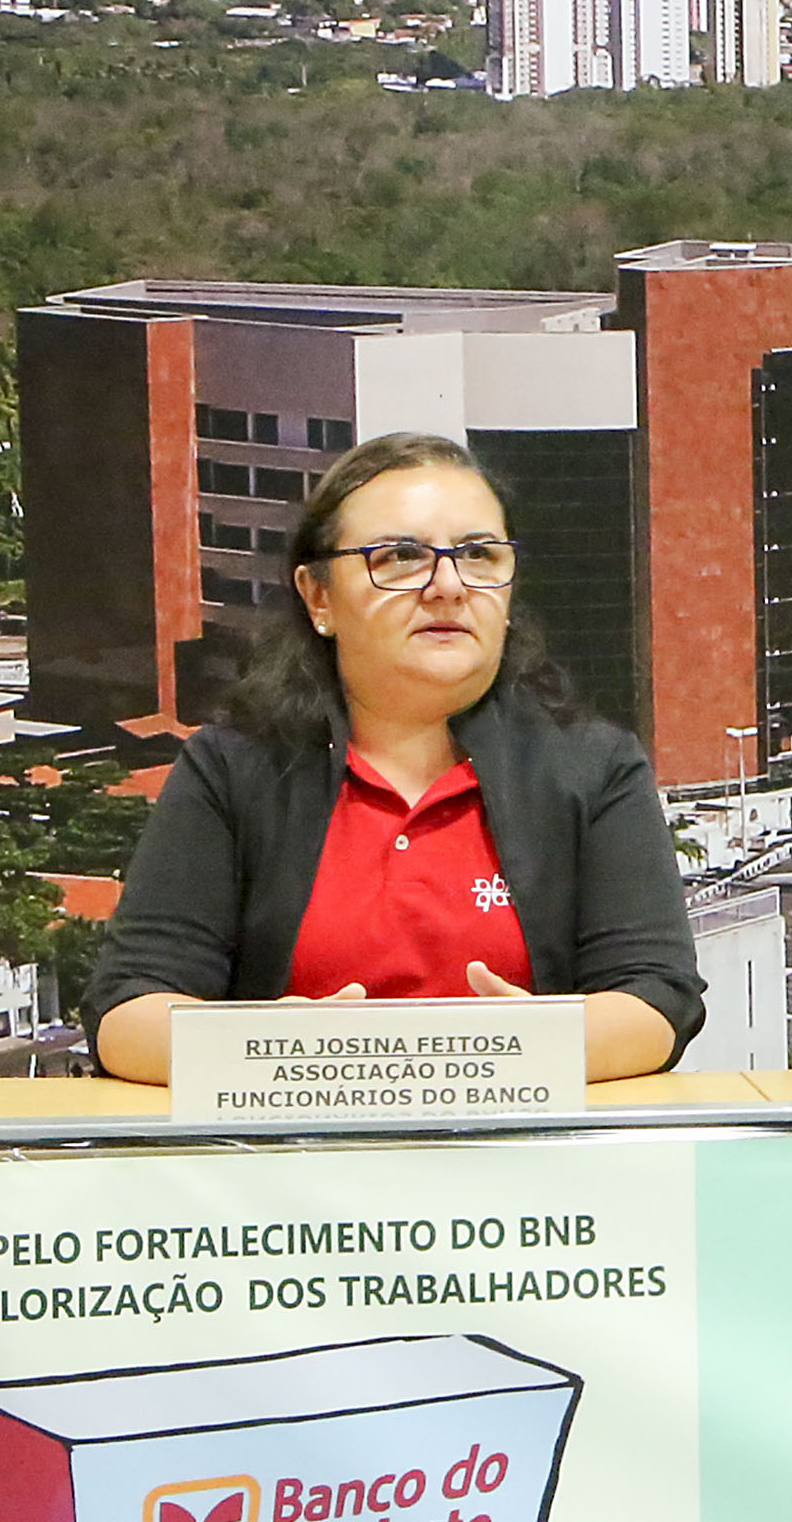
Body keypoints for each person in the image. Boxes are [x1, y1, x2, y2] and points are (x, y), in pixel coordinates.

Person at [87, 434, 704, 1083]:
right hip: (294, 1140)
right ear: (319, 596)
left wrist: (511, 1051)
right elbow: (127, 1012)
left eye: (479, 554)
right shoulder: (233, 769)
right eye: (403, 557)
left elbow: (656, 999)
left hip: (519, 1140)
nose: (448, 586)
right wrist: (274, 1052)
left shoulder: (594, 766)